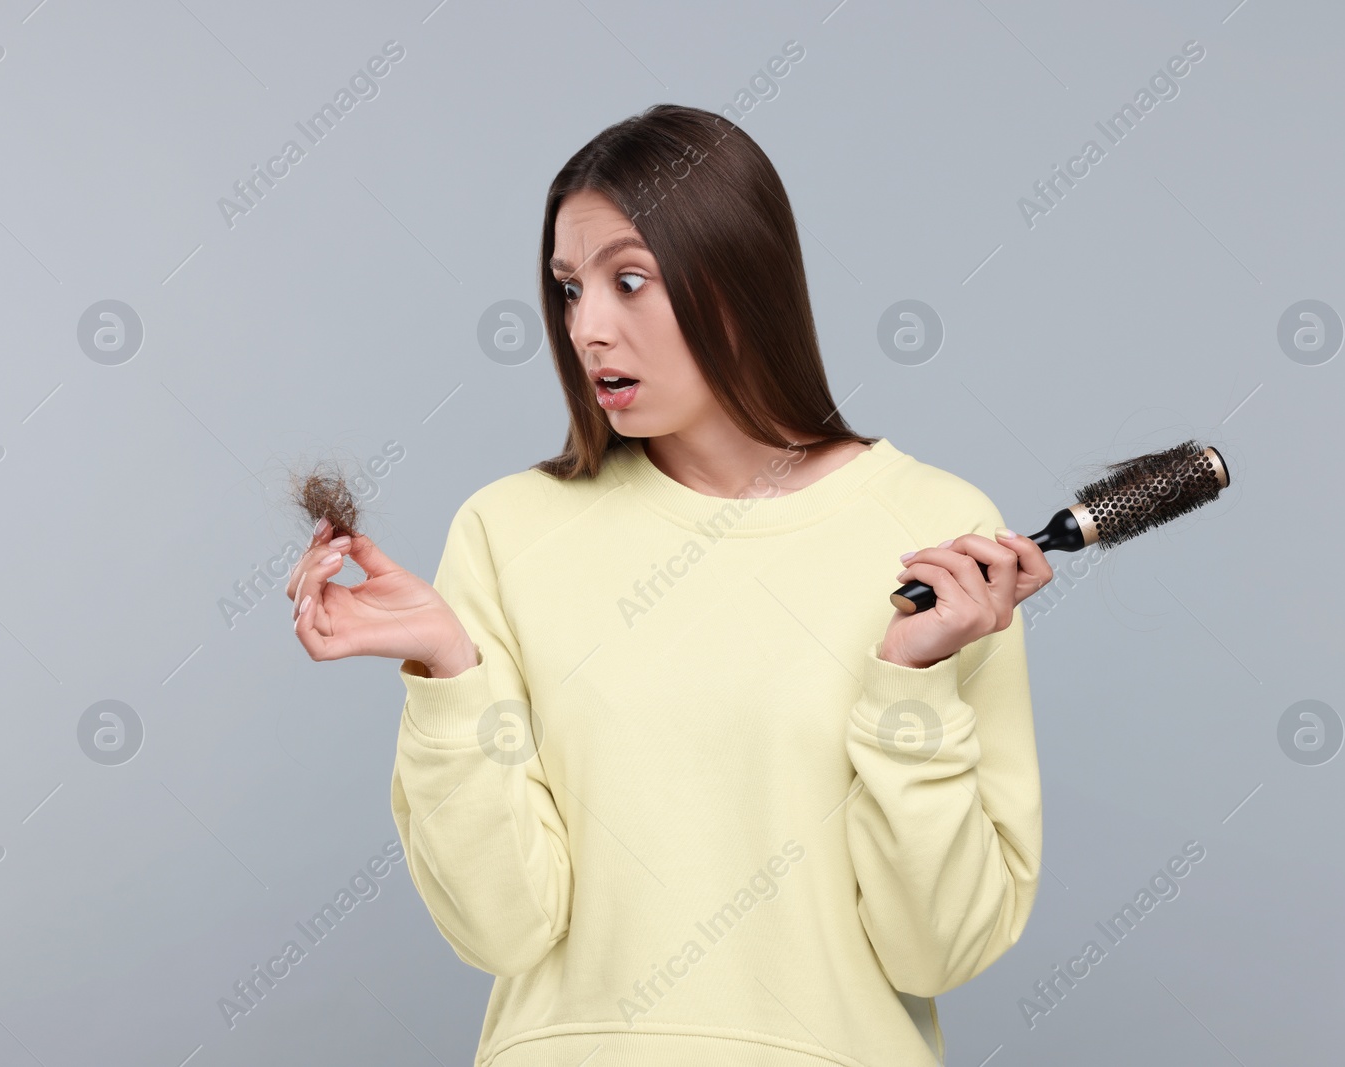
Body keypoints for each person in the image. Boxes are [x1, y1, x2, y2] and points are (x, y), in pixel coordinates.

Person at [288, 103, 1053, 1067]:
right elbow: (502, 930)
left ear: (740, 279)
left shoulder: (934, 531)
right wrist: (449, 671)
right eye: (570, 290)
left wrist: (913, 684)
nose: (587, 328)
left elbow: (939, 947)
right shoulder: (507, 530)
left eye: (630, 280)